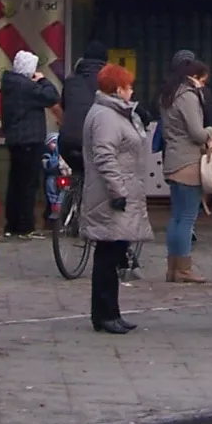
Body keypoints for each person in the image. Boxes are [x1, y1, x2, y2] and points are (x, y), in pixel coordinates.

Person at [82, 62, 151, 334]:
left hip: (118, 193)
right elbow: (105, 156)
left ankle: (112, 312)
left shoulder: (116, 113)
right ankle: (104, 314)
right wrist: (118, 192)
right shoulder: (105, 116)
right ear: (118, 88)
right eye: (129, 86)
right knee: (107, 257)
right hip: (111, 197)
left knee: (114, 254)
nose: (132, 91)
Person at [159, 49, 212, 284]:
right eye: (202, 80)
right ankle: (183, 268)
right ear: (193, 76)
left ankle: (173, 267)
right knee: (188, 217)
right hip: (188, 162)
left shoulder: (168, 94)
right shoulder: (188, 96)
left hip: (172, 159)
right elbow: (197, 132)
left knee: (177, 217)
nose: (202, 86)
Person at [0, 48, 60, 237]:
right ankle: (25, 225)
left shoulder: (10, 85)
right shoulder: (27, 87)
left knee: (15, 182)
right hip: (30, 140)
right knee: (28, 184)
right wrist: (42, 79)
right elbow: (52, 96)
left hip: (15, 139)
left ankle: (12, 224)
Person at [58, 42, 109, 176]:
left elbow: (64, 106)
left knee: (78, 176)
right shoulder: (108, 82)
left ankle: (73, 195)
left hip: (67, 142)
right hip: (94, 140)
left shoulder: (70, 81)